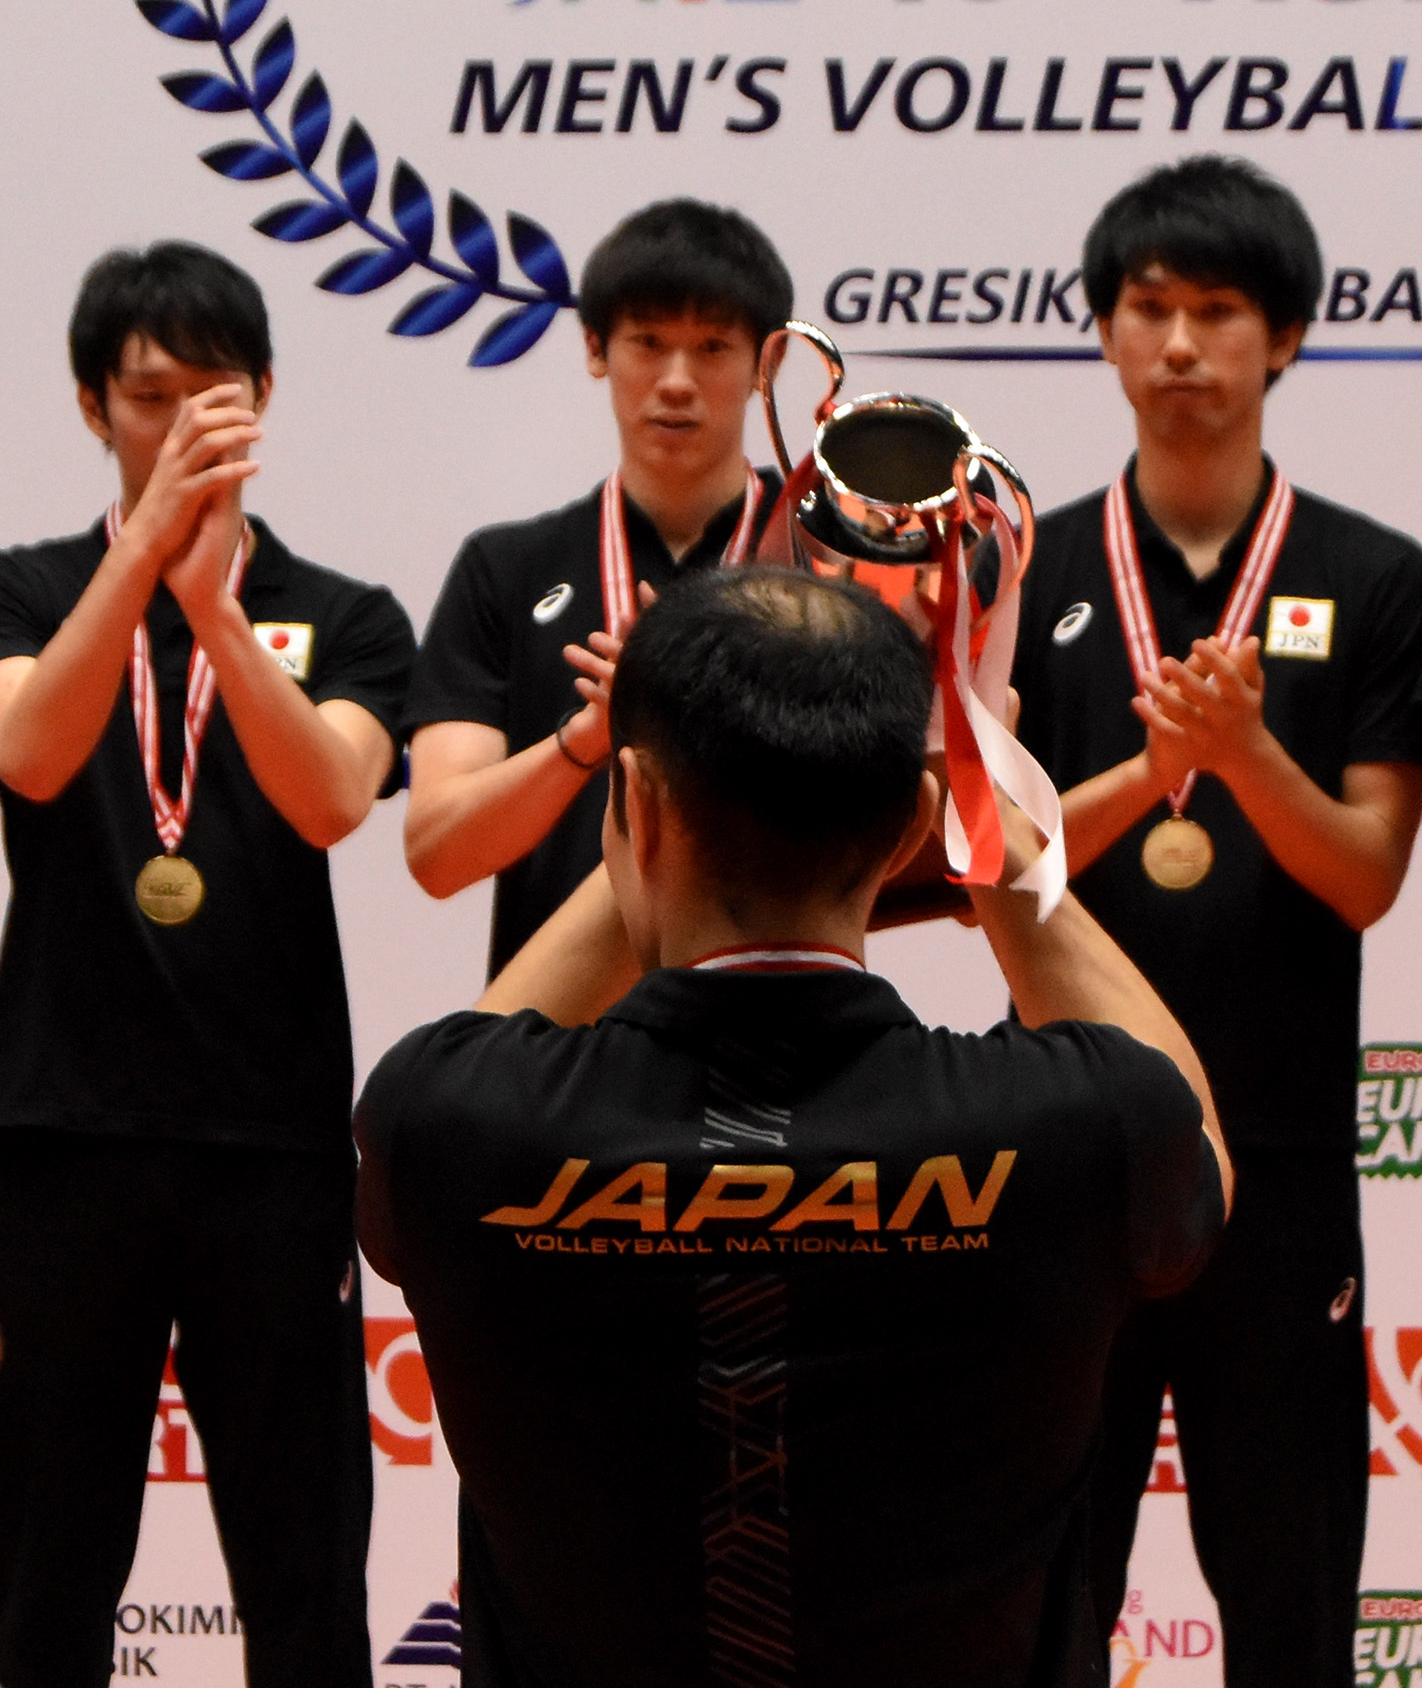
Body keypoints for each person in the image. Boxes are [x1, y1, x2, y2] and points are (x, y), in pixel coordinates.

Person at [356, 564, 1231, 1686]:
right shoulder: (1079, 1127)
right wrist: (993, 826)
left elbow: (481, 1049)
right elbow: (1196, 1136)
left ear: (636, 802)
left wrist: (653, 824)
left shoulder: (454, 1122)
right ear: (914, 822)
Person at [1004, 156, 1422, 1681]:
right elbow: (993, 861)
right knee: (1050, 1589)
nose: (1182, 341)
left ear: (1288, 339)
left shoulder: (1375, 577)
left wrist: (1248, 755)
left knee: (1294, 1590)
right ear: (1106, 334)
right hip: (1060, 1149)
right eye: (1149, 308)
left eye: (1219, 310)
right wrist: (1154, 770)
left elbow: (1370, 873)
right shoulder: (1025, 568)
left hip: (1286, 1158)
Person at [0, 243, 413, 1688]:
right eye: (145, 395)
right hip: (61, 1141)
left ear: (267, 400)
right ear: (88, 405)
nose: (177, 429)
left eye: (209, 398)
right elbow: (30, 752)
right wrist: (142, 561)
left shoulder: (349, 614)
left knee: (304, 1568)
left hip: (273, 1147)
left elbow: (331, 799)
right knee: (43, 1559)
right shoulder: (22, 590)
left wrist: (217, 608)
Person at [404, 198, 792, 977]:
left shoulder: (827, 557)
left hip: (773, 1031)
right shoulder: (506, 568)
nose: (677, 382)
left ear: (767, 364)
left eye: (713, 347)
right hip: (558, 1047)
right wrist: (583, 742)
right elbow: (437, 854)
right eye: (648, 343)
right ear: (594, 348)